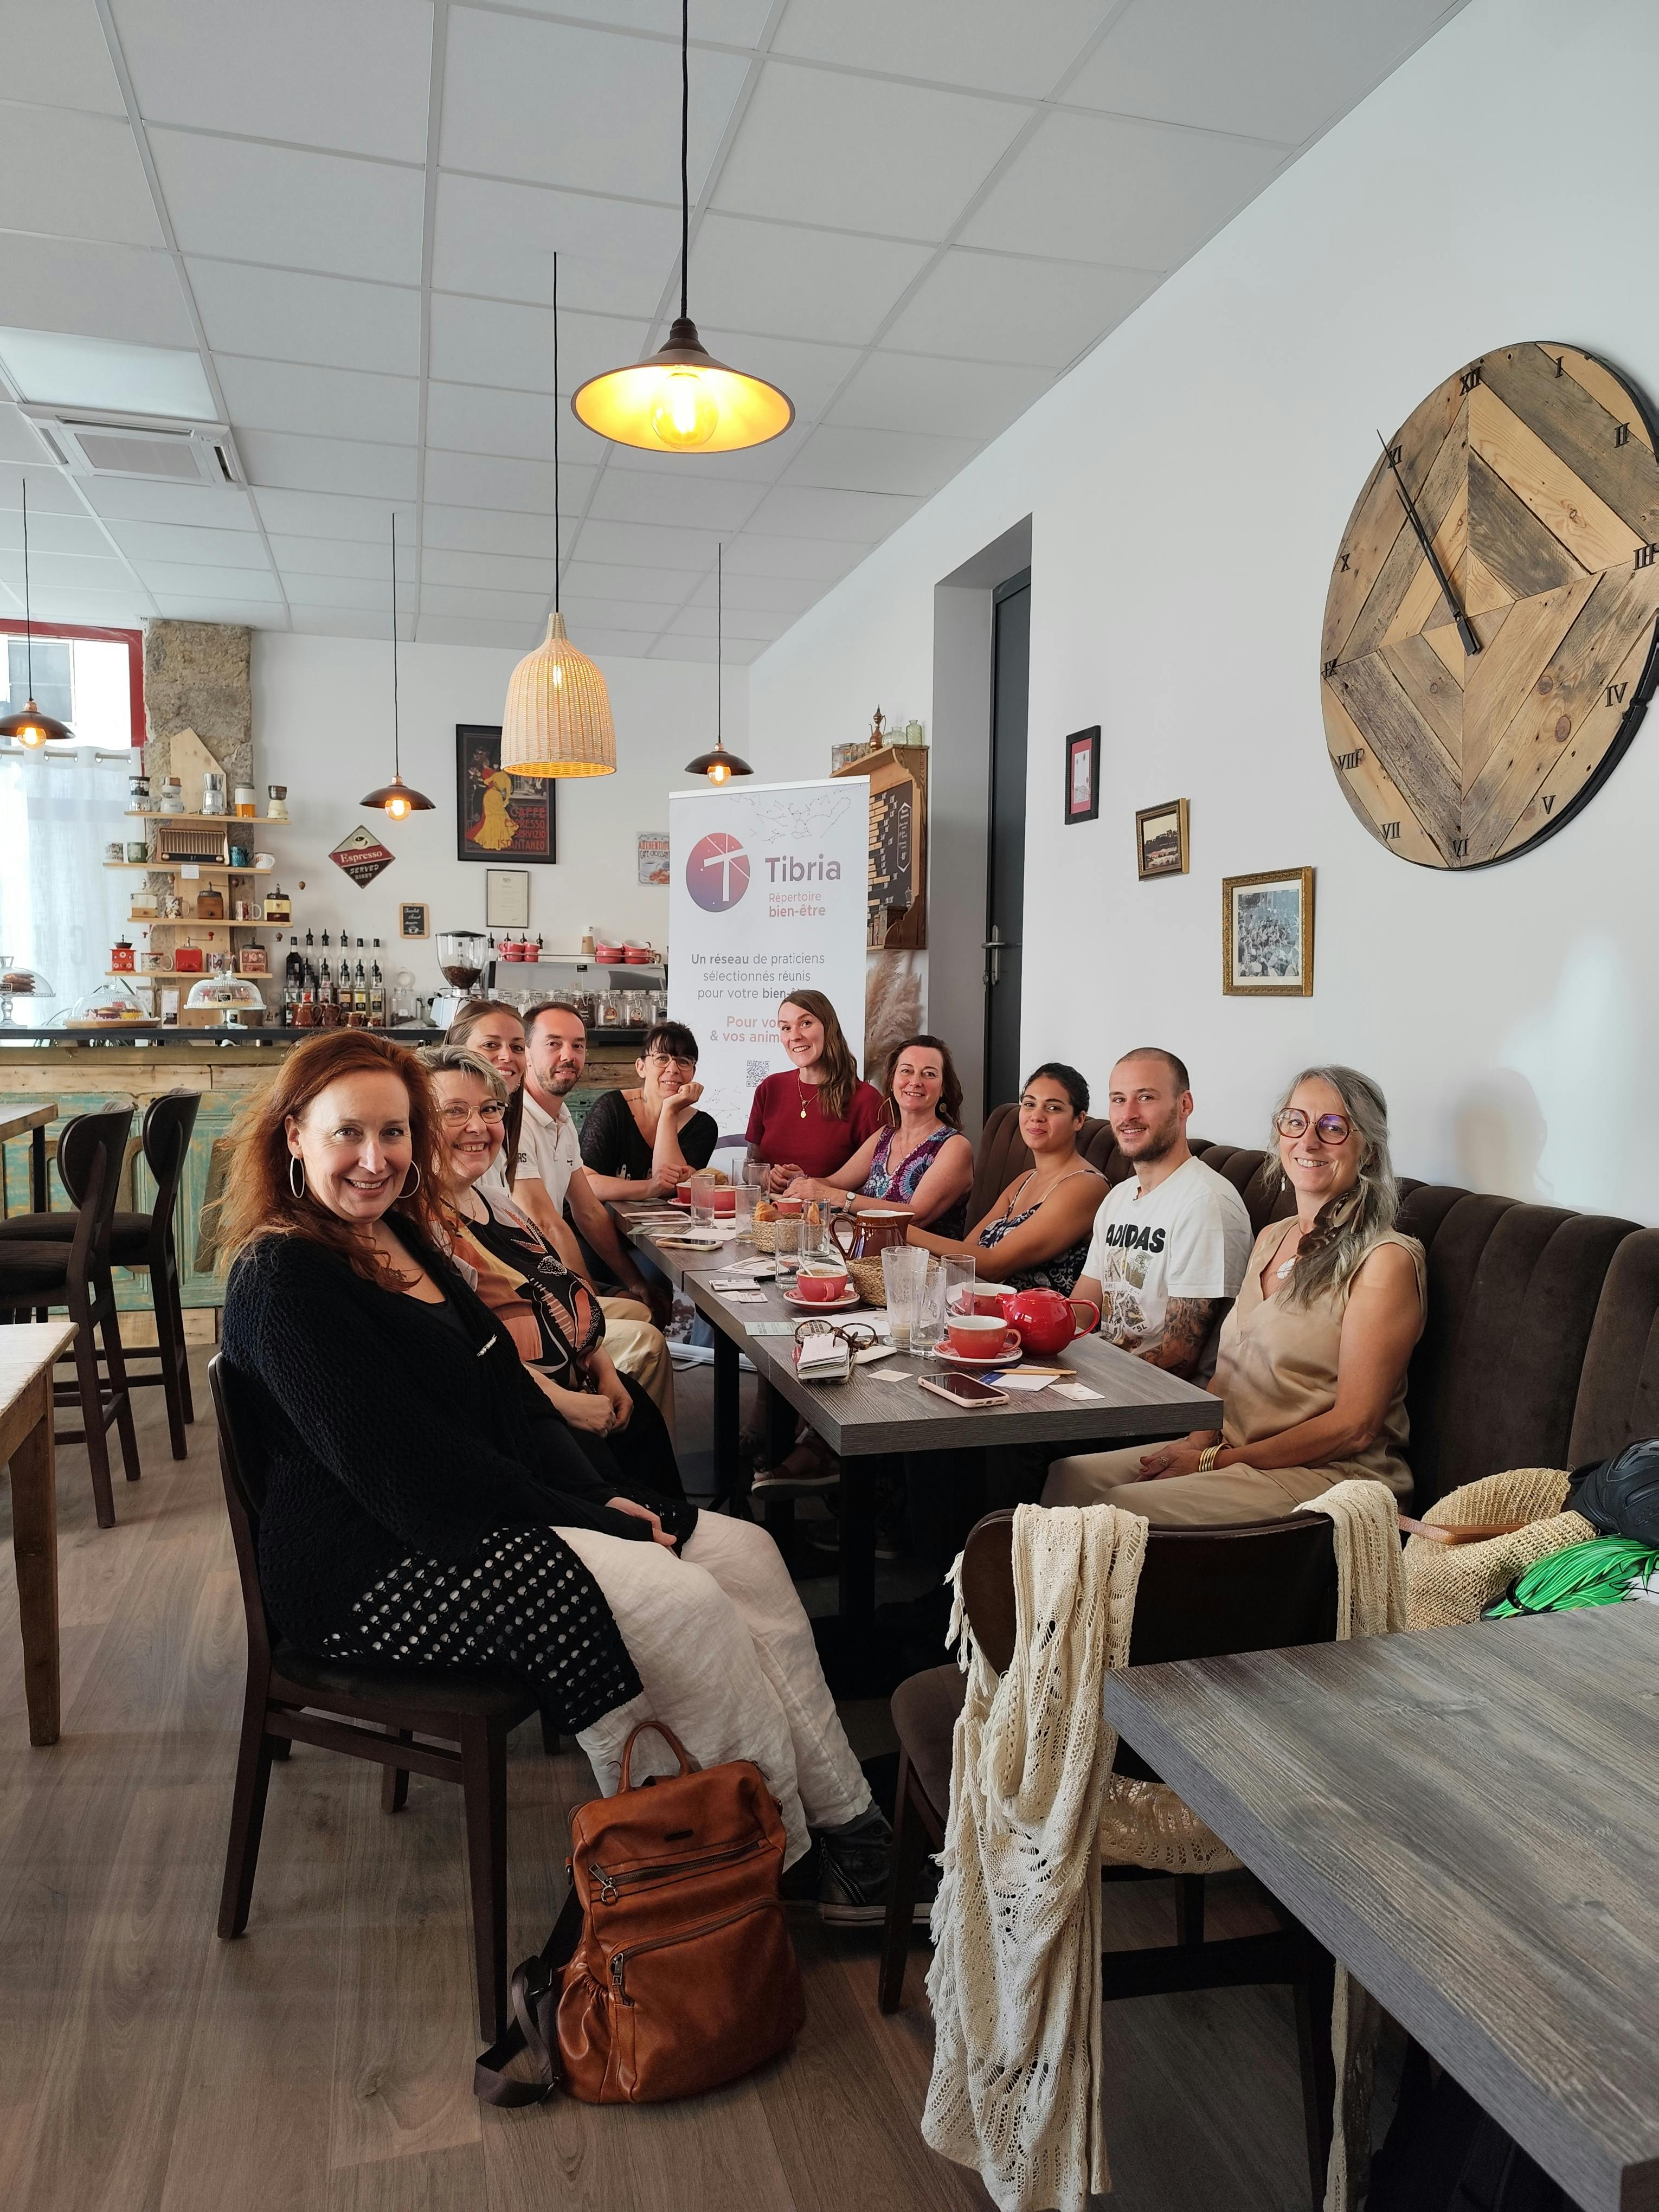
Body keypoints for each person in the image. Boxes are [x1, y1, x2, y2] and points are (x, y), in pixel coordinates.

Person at [217, 1029, 899, 1912]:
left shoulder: (398, 1235)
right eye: (348, 1133)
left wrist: (599, 1493)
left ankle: (850, 1821)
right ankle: (775, 1859)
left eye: (393, 1132)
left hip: (469, 1510)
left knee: (745, 1555)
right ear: (294, 1135)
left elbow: (506, 1391)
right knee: (685, 1602)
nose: (375, 1159)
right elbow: (411, 1481)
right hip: (370, 1565)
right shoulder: (283, 1276)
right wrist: (594, 1516)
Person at [1043, 1065, 1426, 1525]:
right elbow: (1228, 1373)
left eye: (1333, 1127)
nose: (1308, 1142)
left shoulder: (1385, 1260)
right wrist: (1196, 1443)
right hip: (1234, 1449)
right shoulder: (1273, 1238)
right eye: (1296, 1121)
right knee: (1071, 1476)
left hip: (1329, 1477)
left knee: (1127, 1508)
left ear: (1369, 1150)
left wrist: (1212, 1462)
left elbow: (1355, 1427)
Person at [420, 1043, 681, 1502]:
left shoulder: (495, 1203)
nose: (477, 1126)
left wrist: (601, 1365)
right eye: (454, 1111)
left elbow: (558, 1289)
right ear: (415, 1124)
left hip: (584, 1384)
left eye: (489, 1109)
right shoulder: (425, 1229)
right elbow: (469, 1352)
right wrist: (564, 1403)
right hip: (533, 1425)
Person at [447, 997, 674, 1422]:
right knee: (647, 1340)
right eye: (553, 1043)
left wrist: (632, 1282)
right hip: (513, 1306)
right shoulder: (489, 1138)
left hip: (533, 1287)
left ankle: (619, 1430)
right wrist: (585, 1307)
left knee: (641, 1309)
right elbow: (546, 1226)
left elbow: (586, 1211)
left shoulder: (546, 1118)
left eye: (515, 1046)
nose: (568, 1055)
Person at [1075, 1047, 1252, 1378]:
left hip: (1155, 1395)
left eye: (1145, 1098)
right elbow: (1080, 1313)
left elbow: (1178, 1358)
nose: (1128, 1114)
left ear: (1184, 1105)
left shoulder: (1205, 1204)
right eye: (1118, 1099)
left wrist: (1087, 1379)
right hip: (1102, 1374)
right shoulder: (1119, 1197)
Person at [908, 1062, 1105, 1294]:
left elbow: (994, 1265)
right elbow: (964, 1256)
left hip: (1032, 1315)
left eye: (1053, 1108)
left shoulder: (1087, 1185)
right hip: (978, 1305)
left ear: (1079, 1120)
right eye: (1030, 1104)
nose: (1037, 1116)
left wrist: (898, 1227)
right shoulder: (1025, 1180)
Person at [782, 1034, 974, 1238]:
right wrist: (800, 1182)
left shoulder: (955, 1146)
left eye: (929, 1074)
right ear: (892, 1081)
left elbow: (915, 1217)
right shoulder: (885, 1136)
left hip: (924, 1258)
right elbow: (834, 1183)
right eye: (907, 1071)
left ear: (943, 1088)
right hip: (867, 1253)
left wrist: (838, 1197)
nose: (915, 1081)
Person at [747, 992, 885, 1193]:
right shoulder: (769, 1088)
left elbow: (879, 1184)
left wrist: (807, 1183)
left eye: (806, 1024)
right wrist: (764, 1177)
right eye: (786, 1028)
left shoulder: (866, 1100)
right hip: (771, 1210)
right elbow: (750, 1166)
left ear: (829, 1027)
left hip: (832, 1213)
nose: (795, 1036)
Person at [579, 1020, 719, 1203]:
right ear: (641, 1067)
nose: (673, 1069)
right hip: (600, 1217)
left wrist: (669, 1110)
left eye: (684, 1061)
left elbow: (672, 1188)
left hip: (668, 1221)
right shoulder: (612, 1108)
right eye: (662, 1058)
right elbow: (586, 1184)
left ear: (693, 1073)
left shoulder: (703, 1126)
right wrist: (649, 1187)